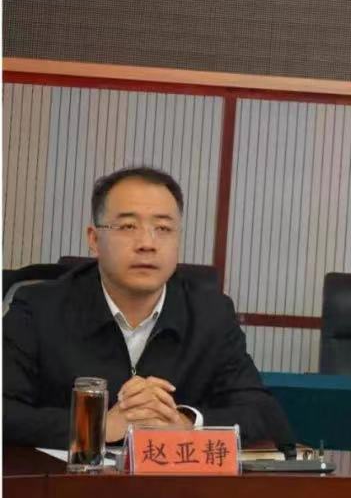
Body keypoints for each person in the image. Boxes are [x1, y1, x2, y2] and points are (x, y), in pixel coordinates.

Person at [3, 166, 294, 449]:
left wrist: (185, 423)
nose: (147, 243)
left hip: (172, 480)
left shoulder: (211, 315)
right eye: (128, 226)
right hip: (68, 481)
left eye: (163, 228)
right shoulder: (39, 309)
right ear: (94, 239)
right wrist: (96, 425)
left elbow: (266, 417)